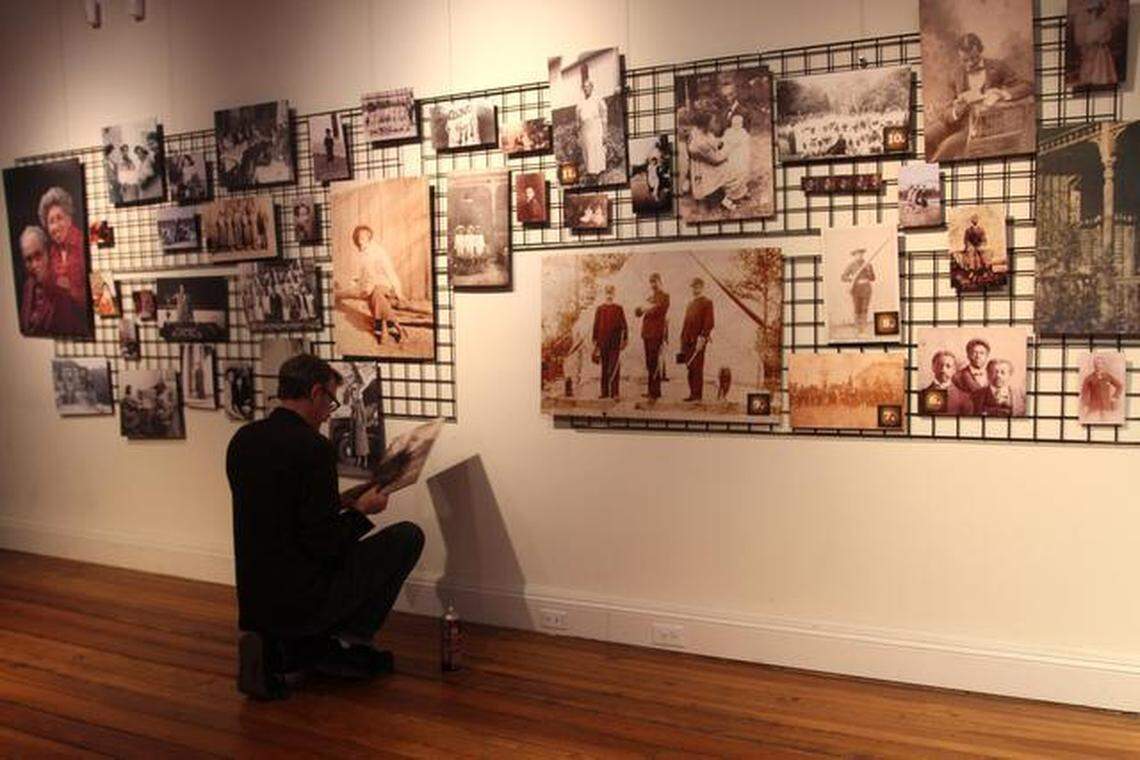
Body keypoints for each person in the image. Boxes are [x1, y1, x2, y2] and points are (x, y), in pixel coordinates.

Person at [227, 354, 424, 700]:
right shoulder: (313, 448)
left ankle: (290, 644)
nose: (327, 413)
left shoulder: (244, 440)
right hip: (303, 597)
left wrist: (340, 501)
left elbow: (280, 514)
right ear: (316, 393)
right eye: (331, 402)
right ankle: (335, 641)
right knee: (407, 536)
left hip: (257, 598)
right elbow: (325, 545)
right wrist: (363, 512)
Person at [925, 32, 1033, 161]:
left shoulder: (997, 67)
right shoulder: (955, 74)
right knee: (927, 136)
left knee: (946, 147)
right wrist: (955, 112)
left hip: (982, 127)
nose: (970, 63)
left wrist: (1002, 94)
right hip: (954, 122)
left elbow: (1027, 86)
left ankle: (928, 176)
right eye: (965, 60)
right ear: (960, 56)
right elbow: (945, 108)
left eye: (974, 58)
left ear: (980, 51)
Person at [340, 224, 407, 345]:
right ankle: (397, 328)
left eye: (364, 236)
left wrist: (398, 291)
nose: (361, 239)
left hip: (385, 284)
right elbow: (358, 275)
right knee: (375, 295)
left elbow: (389, 271)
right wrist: (354, 284)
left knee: (376, 293)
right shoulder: (360, 255)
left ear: (369, 237)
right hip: (369, 286)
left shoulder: (378, 251)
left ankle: (384, 330)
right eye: (359, 237)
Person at [17, 226, 86, 336]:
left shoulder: (62, 288)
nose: (34, 265)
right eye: (28, 259)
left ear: (48, 253)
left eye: (38, 256)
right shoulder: (28, 287)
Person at [39, 186, 87, 308]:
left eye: (59, 218)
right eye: (51, 222)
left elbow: (100, 295)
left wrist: (71, 289)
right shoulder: (52, 252)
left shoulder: (82, 244)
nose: (55, 227)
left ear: (69, 219)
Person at [634, 273, 670, 400]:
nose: (653, 285)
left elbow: (659, 309)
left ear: (660, 282)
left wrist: (646, 308)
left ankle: (655, 391)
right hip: (647, 334)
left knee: (654, 362)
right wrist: (641, 308)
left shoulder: (665, 296)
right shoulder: (649, 297)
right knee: (649, 363)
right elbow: (637, 312)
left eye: (655, 282)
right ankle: (651, 391)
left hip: (656, 334)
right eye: (651, 282)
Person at [680, 277, 714, 402]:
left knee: (697, 368)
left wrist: (703, 338)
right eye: (693, 286)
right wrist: (682, 339)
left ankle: (697, 396)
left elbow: (709, 322)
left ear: (702, 287)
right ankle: (692, 394)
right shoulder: (690, 304)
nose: (695, 289)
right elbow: (686, 323)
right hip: (687, 340)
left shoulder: (707, 302)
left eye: (697, 286)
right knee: (689, 367)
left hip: (698, 340)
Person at [591, 284, 627, 399]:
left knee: (614, 367)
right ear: (604, 293)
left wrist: (625, 340)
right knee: (604, 367)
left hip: (615, 343)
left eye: (611, 292)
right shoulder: (600, 309)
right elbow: (596, 326)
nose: (609, 295)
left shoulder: (618, 308)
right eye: (607, 292)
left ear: (614, 294)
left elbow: (624, 326)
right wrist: (595, 342)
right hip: (603, 342)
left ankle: (615, 393)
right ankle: (604, 392)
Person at [1074, 0, 1118, 87]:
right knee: (1089, 66)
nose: (1094, 14)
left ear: (1100, 12)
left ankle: (1101, 80)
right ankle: (1089, 81)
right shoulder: (1089, 27)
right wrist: (1088, 45)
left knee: (1101, 66)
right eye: (1092, 11)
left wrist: (1100, 41)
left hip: (1101, 49)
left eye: (1097, 11)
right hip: (1091, 50)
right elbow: (1087, 39)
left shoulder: (1104, 24)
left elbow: (1108, 36)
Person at [576, 64, 608, 178]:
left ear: (592, 87)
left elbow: (604, 115)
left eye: (588, 86)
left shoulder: (598, 99)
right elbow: (578, 118)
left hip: (596, 126)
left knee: (597, 147)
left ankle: (599, 171)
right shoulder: (581, 102)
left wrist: (605, 132)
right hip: (586, 128)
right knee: (588, 148)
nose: (586, 88)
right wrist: (578, 132)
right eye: (584, 87)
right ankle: (591, 172)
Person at [923, 350, 974, 415]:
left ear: (954, 370)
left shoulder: (964, 399)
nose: (943, 369)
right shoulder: (922, 395)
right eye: (940, 365)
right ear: (933, 367)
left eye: (948, 366)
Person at [719, 106, 751, 211]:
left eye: (739, 123)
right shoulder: (728, 132)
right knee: (733, 174)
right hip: (732, 157)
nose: (737, 125)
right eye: (735, 123)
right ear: (732, 123)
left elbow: (746, 145)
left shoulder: (743, 132)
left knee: (743, 173)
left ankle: (742, 192)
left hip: (741, 157)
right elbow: (724, 143)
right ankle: (729, 197)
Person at [840, 247, 875, 336]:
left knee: (864, 309)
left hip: (866, 289)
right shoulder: (851, 265)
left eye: (861, 254)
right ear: (854, 255)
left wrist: (869, 270)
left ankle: (863, 330)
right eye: (857, 254)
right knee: (857, 309)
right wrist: (851, 278)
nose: (859, 255)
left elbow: (873, 278)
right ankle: (857, 329)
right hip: (856, 289)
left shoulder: (868, 264)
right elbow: (843, 277)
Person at [1080, 353, 1124, 421]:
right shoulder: (1089, 378)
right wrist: (1085, 405)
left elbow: (1119, 386)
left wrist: (1115, 397)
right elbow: (1084, 393)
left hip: (1106, 407)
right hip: (1094, 408)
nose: (1099, 366)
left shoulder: (1108, 376)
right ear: (1094, 365)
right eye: (1097, 363)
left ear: (1103, 365)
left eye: (1101, 363)